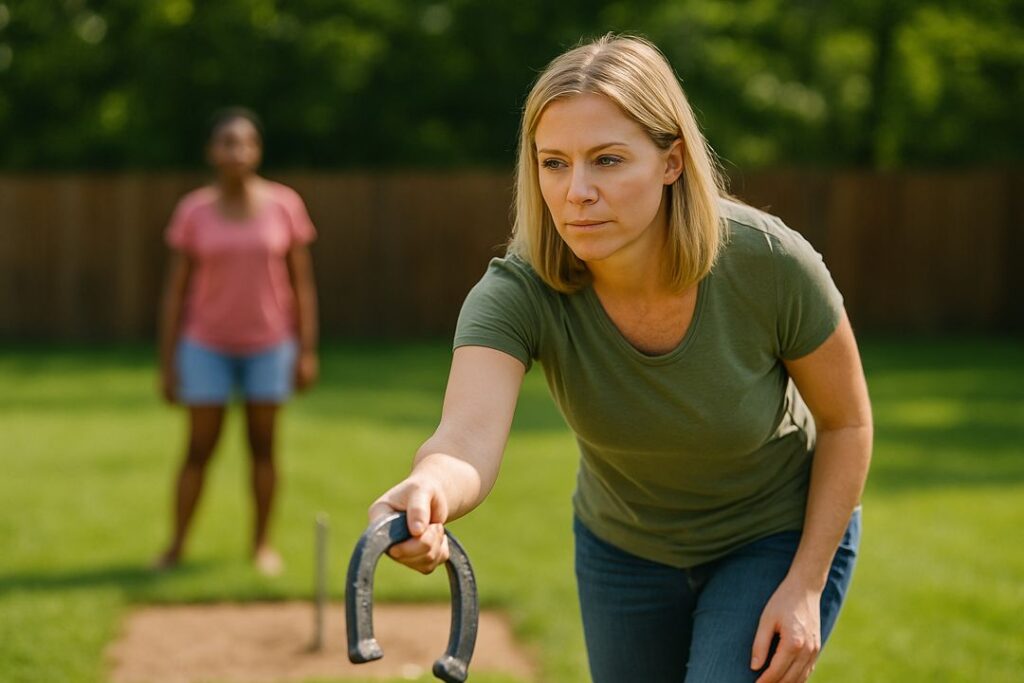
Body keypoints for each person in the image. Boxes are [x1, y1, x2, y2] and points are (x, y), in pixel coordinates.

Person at [369, 35, 872, 682]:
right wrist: (428, 489)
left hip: (771, 537)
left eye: (606, 160)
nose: (577, 191)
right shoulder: (517, 291)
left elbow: (847, 423)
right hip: (623, 550)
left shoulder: (770, 263)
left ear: (671, 161)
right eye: (554, 163)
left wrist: (806, 582)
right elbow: (465, 437)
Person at [154, 108, 319, 576]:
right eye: (227, 142)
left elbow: (301, 284)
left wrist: (306, 349)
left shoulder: (285, 205)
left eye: (245, 142)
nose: (236, 151)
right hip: (205, 346)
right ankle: (176, 545)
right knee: (198, 449)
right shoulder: (193, 211)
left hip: (270, 346)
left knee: (263, 446)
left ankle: (262, 545)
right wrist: (168, 362)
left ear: (257, 151)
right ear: (212, 152)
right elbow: (175, 291)